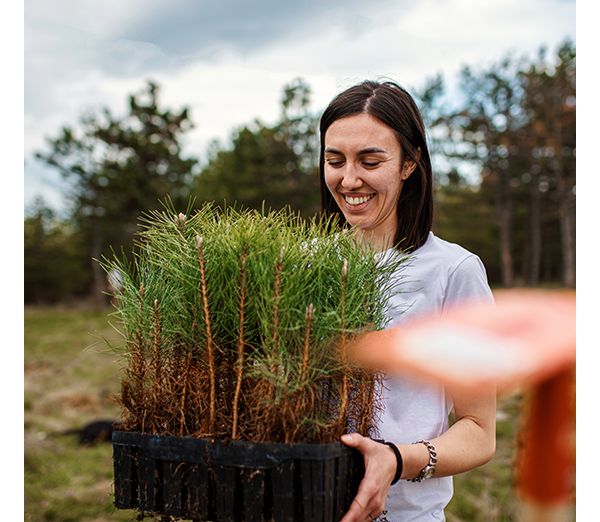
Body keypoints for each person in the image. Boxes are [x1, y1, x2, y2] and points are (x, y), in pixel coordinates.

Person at [319, 80, 496, 521]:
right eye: (334, 160)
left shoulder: (453, 272)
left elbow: (478, 431)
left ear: (409, 164)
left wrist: (396, 461)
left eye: (370, 160)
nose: (349, 179)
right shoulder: (299, 265)